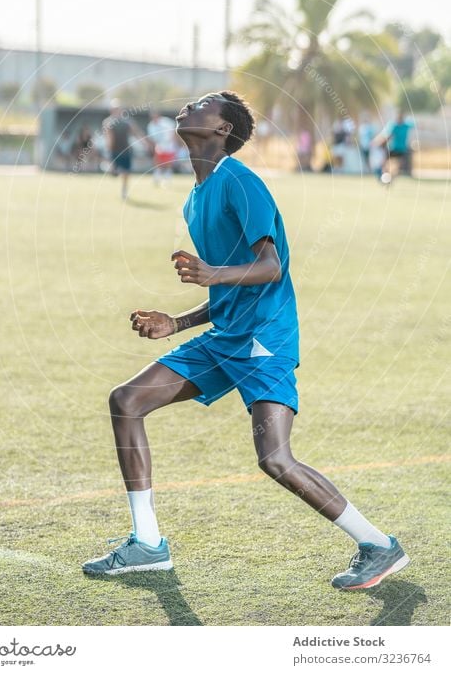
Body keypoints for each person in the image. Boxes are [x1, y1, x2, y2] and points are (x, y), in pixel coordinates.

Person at [82, 91, 409, 590]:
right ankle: (147, 544)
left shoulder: (240, 180)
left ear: (221, 130)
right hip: (225, 336)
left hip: (263, 338)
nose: (191, 105)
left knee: (275, 459)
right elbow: (231, 286)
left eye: (205, 104)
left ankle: (378, 544)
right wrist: (177, 322)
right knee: (126, 401)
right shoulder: (195, 197)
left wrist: (211, 273)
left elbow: (269, 266)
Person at [103, 103, 139, 199]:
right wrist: (108, 152)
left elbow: (135, 132)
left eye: (118, 109)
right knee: (115, 172)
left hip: (125, 150)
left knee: (126, 173)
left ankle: (124, 191)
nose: (117, 111)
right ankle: (113, 170)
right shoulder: (108, 122)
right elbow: (109, 138)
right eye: (115, 109)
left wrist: (145, 143)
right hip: (114, 151)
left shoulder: (127, 122)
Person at [374, 111, 415, 180]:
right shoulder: (394, 125)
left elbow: (387, 136)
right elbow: (386, 135)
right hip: (394, 149)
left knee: (397, 166)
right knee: (384, 163)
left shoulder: (404, 125)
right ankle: (385, 175)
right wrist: (377, 141)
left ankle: (389, 177)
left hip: (401, 150)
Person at [146, 110, 178, 184]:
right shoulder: (150, 126)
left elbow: (174, 129)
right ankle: (157, 177)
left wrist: (173, 140)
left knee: (168, 163)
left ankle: (167, 178)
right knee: (158, 162)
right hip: (159, 146)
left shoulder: (166, 121)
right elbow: (152, 139)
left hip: (169, 146)